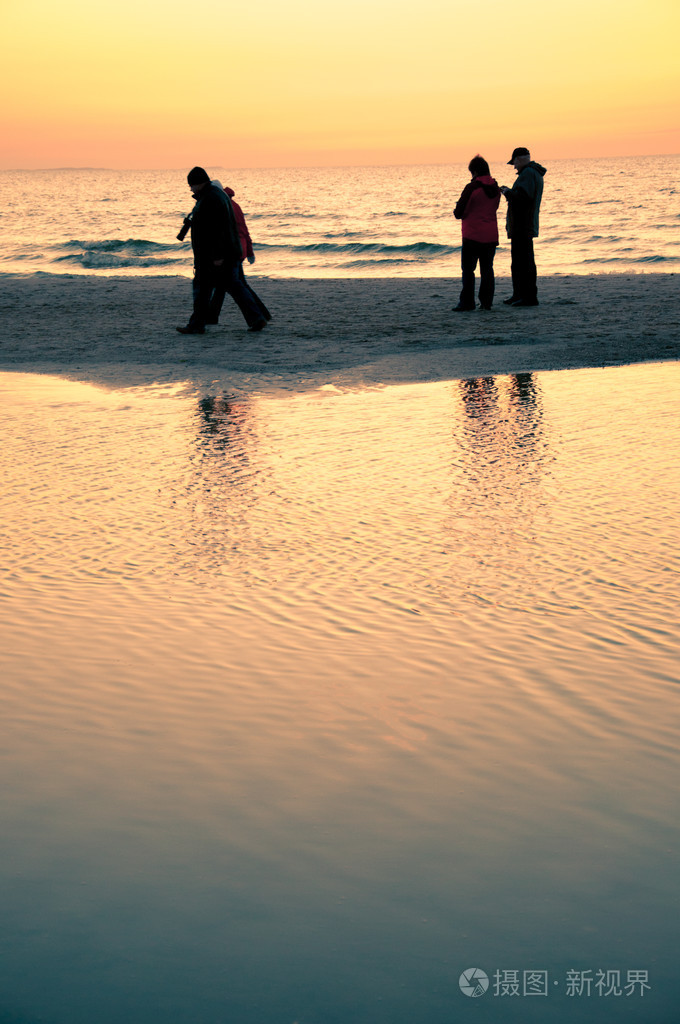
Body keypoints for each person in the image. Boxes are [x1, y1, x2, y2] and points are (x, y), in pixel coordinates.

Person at [176, 166, 268, 335]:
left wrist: (217, 255)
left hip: (215, 256)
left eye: (191, 185)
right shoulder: (214, 196)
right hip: (223, 253)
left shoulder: (211, 198)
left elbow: (218, 229)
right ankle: (256, 318)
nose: (190, 189)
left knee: (204, 289)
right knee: (231, 287)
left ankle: (197, 325)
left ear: (199, 183)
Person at [205, 181, 271, 326]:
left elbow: (224, 233)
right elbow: (244, 230)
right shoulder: (233, 205)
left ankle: (258, 317)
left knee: (233, 285)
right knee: (229, 284)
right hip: (238, 250)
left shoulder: (223, 206)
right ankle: (261, 314)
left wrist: (219, 254)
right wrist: (249, 251)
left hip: (232, 251)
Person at [499, 147, 546, 307]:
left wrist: (507, 192)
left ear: (519, 159)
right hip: (525, 224)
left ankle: (527, 297)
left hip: (522, 225)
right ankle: (519, 295)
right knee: (522, 262)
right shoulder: (533, 173)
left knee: (522, 263)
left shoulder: (528, 174)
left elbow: (523, 198)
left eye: (514, 162)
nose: (514, 166)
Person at [453, 155, 501, 311]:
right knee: (487, 269)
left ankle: (467, 302)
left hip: (472, 235)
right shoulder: (496, 188)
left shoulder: (472, 188)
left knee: (468, 270)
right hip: (490, 234)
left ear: (474, 171)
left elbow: (459, 212)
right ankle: (486, 303)